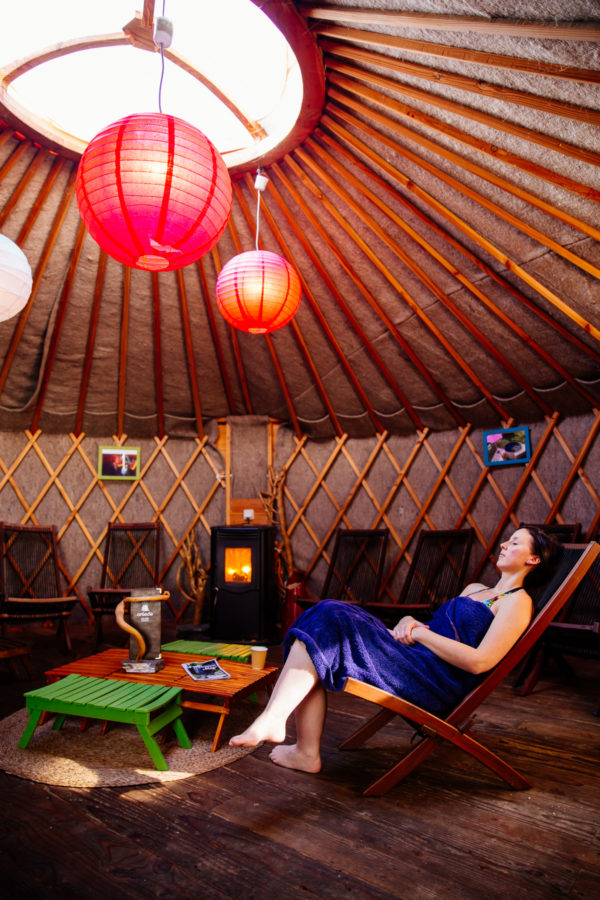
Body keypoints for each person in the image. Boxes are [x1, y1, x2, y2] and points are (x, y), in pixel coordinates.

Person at [230, 527, 559, 774]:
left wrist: (418, 633)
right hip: (415, 658)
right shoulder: (476, 589)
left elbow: (479, 662)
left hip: (434, 681)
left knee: (329, 616)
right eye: (507, 540)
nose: (504, 544)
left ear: (533, 559)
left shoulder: (518, 603)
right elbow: (435, 629)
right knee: (321, 616)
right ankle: (297, 743)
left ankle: (287, 731)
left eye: (515, 542)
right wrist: (409, 622)